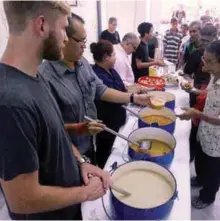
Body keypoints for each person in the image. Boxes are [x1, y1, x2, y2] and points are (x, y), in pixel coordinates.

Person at [0, 2, 110, 220]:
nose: (66, 38)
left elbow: (56, 133)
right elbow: (22, 199)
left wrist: (81, 163)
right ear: (41, 25)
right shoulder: (11, 102)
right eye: (62, 28)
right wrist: (85, 193)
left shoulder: (34, 76)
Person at [39, 13, 150, 165]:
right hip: (66, 154)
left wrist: (133, 98)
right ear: (63, 37)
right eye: (81, 41)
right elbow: (47, 127)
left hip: (89, 144)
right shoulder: (45, 77)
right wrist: (78, 129)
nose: (85, 45)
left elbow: (101, 90)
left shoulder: (82, 63)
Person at [178, 40, 220, 209]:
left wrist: (196, 113)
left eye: (209, 61)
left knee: (214, 168)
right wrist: (192, 91)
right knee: (201, 158)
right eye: (204, 59)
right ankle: (200, 179)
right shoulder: (216, 74)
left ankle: (208, 196)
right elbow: (209, 93)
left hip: (219, 137)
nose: (204, 64)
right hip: (205, 128)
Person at [181, 25, 218, 162]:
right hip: (200, 93)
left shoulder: (201, 53)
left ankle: (195, 155)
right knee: (197, 124)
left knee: (203, 126)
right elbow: (187, 72)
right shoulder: (198, 53)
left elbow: (187, 73)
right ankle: (192, 155)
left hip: (210, 95)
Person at [90, 41, 127, 168]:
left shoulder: (112, 70)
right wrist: (132, 97)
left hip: (118, 120)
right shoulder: (97, 75)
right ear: (106, 57)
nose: (115, 57)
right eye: (114, 55)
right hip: (107, 123)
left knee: (116, 149)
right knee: (105, 154)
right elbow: (114, 95)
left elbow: (122, 90)